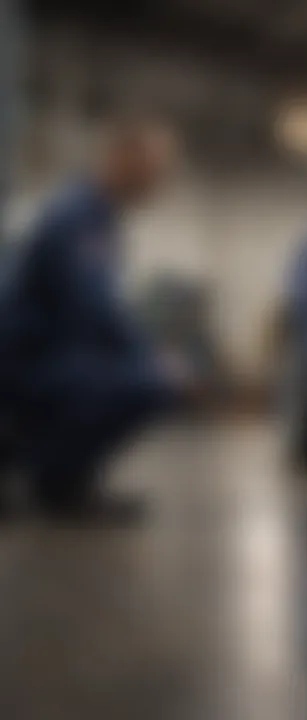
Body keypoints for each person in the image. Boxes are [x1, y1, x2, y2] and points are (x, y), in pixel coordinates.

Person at [0, 115, 194, 522]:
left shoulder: (97, 216)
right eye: (155, 168)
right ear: (120, 159)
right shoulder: (78, 216)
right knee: (148, 381)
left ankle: (50, 472)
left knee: (142, 373)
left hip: (46, 356)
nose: (160, 180)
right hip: (27, 363)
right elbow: (92, 306)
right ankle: (50, 480)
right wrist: (153, 355)